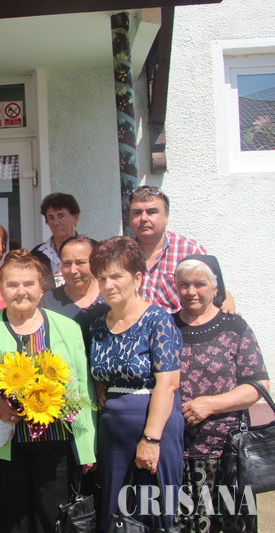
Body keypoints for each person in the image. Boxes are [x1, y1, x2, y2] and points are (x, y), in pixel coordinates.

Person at [0, 249, 97, 533]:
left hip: (55, 446)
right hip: (2, 444)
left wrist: (87, 448)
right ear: (1, 288)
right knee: (8, 522)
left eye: (29, 283)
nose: (21, 291)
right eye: (12, 284)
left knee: (51, 521)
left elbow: (83, 389)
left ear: (41, 286)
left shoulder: (68, 328)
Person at [89, 236, 184, 532]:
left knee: (152, 512)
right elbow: (99, 373)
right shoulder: (97, 325)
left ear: (138, 278)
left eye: (117, 276)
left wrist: (151, 440)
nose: (109, 285)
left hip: (153, 429)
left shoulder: (158, 320)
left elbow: (168, 384)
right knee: (114, 515)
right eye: (102, 278)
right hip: (112, 435)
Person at [173, 255, 268, 533]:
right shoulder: (165, 327)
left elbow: (257, 385)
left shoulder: (235, 328)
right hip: (175, 452)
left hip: (227, 454)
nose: (191, 291)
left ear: (216, 288)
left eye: (200, 284)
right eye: (184, 284)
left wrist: (210, 404)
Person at [127, 185, 234, 314]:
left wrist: (228, 316)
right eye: (137, 213)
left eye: (152, 212)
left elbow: (219, 294)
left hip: (178, 326)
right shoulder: (122, 252)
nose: (143, 218)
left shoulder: (190, 251)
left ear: (166, 217)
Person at [44, 236, 110, 353]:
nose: (73, 270)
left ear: (94, 263)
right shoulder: (49, 300)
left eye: (80, 263)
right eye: (67, 263)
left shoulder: (110, 295)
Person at [31, 192, 81, 288]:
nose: (56, 222)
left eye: (61, 216)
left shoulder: (92, 250)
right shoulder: (36, 256)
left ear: (75, 217)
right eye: (51, 218)